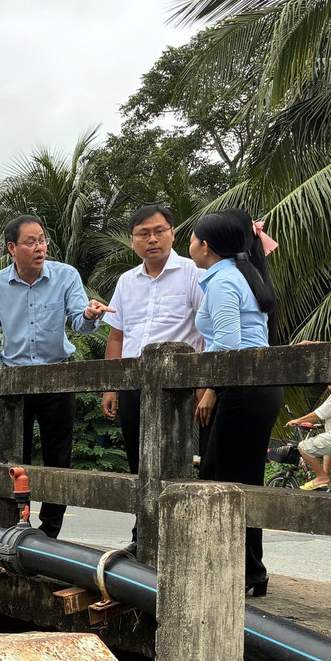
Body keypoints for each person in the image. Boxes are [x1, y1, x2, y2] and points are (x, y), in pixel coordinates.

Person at [0, 214, 107, 537]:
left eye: (42, 240)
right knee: (12, 456)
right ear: (12, 248)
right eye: (30, 242)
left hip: (57, 378)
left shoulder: (66, 276)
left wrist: (90, 315)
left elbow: (79, 320)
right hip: (15, 382)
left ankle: (50, 531)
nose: (40, 248)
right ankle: (15, 523)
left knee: (57, 457)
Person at [99, 204, 205, 548]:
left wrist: (204, 384)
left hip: (178, 387)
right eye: (143, 234)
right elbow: (117, 336)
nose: (152, 239)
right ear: (132, 241)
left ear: (173, 233)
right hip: (132, 385)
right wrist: (111, 386)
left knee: (177, 462)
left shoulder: (193, 273)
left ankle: (176, 538)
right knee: (137, 462)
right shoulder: (126, 281)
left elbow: (205, 331)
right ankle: (142, 535)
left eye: (159, 231)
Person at [188, 208, 282, 597]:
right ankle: (246, 572)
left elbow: (226, 344)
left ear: (206, 246)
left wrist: (211, 389)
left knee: (222, 481)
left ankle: (242, 573)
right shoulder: (240, 274)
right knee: (238, 479)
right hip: (253, 385)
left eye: (191, 239)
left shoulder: (224, 280)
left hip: (239, 386)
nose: (189, 246)